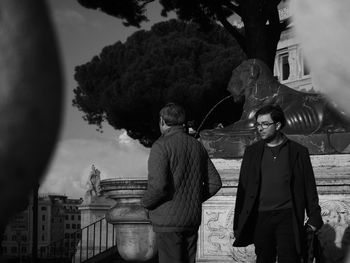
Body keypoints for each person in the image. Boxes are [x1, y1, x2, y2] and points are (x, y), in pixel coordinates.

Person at [233, 104, 323, 263]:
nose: (260, 128)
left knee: (290, 259)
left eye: (265, 124)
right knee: (263, 259)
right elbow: (243, 190)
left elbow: (309, 187)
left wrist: (314, 218)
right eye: (258, 124)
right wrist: (238, 223)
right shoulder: (251, 152)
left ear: (278, 125)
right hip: (261, 217)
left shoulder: (298, 151)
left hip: (288, 216)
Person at [141, 103, 222, 263]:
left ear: (162, 122)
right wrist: (192, 200)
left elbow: (158, 187)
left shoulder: (161, 146)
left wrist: (145, 203)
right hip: (191, 220)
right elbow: (215, 183)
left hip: (167, 221)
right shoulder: (197, 146)